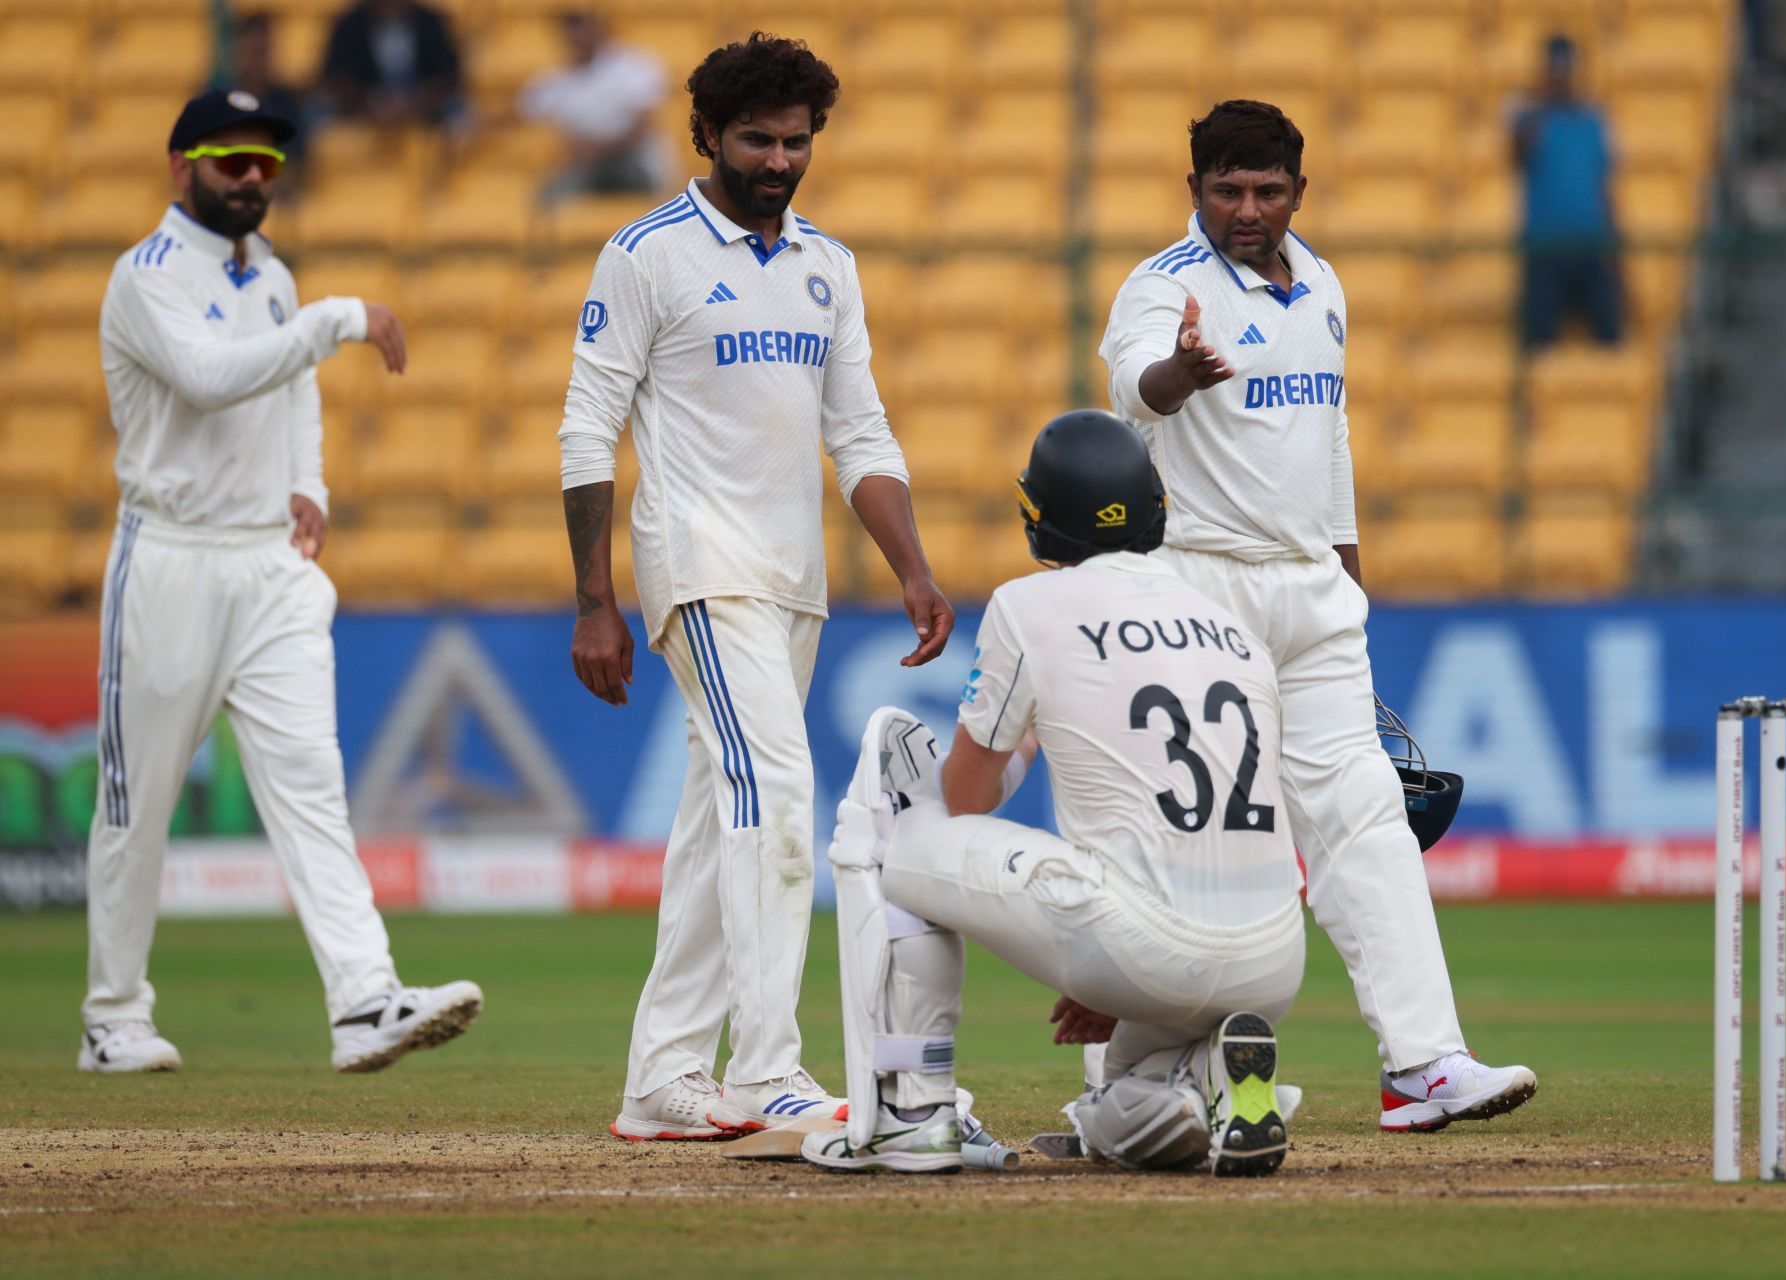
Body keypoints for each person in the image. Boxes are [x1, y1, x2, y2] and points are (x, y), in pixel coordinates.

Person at [1098, 99, 1537, 1134]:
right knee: (1203, 835)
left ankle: (1424, 1064)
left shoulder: (1326, 284)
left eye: (1267, 190)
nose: (1247, 209)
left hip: (1313, 594)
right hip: (1202, 584)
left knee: (1366, 818)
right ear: (1194, 188)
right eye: (1226, 190)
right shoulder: (1164, 286)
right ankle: (1137, 1081)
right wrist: (1180, 373)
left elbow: (1327, 440)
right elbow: (1130, 389)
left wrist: (1348, 579)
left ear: (1299, 188)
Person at [556, 33, 954, 1141]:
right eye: (756, 141)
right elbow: (587, 426)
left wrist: (911, 566)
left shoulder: (829, 262)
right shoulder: (646, 255)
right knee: (778, 791)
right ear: (705, 138)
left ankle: (662, 1078)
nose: (779, 161)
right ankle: (765, 1065)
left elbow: (859, 429)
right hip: (702, 568)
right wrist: (595, 597)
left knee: (714, 822)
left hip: (794, 584)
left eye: (795, 141)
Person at [83, 88, 481, 1074]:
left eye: (268, 161)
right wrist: (339, 316)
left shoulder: (273, 275)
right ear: (182, 166)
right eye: (233, 159)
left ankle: (363, 999)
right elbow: (212, 376)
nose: (254, 176)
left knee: (312, 787)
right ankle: (113, 1014)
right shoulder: (147, 278)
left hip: (270, 562)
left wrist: (308, 482)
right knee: (139, 803)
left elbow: (290, 387)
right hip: (169, 556)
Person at [800, 411, 1304, 1177]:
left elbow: (964, 797)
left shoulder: (1027, 606)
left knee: (895, 820)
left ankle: (915, 1106)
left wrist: (1028, 732)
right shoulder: (1230, 620)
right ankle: (1211, 1081)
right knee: (1115, 1115)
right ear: (1155, 506)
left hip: (1144, 941)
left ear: (1041, 523)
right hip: (1272, 961)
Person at [1512, 35, 1623, 348]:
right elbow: (1517, 154)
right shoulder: (1529, 118)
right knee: (1540, 340)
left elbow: (1605, 186)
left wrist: (1617, 250)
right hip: (1545, 248)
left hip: (1593, 245)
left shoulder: (1593, 120)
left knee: (1610, 335)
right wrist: (1544, 101)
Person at [519, 11, 668, 200]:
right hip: (587, 168)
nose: (576, 34)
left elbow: (644, 126)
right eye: (570, 27)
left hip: (635, 164)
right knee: (551, 196)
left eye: (581, 25)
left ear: (598, 27)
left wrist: (597, 148)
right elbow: (522, 110)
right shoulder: (556, 80)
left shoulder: (633, 66)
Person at [319, 0, 466, 130]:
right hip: (364, 111)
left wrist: (416, 102)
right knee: (319, 116)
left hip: (424, 109)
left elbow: (448, 75)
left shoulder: (431, 21)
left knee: (462, 118)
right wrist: (371, 103)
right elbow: (336, 77)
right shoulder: (348, 25)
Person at [224, 14, 308, 180]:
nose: (259, 61)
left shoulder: (288, 103)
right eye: (254, 52)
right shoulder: (217, 103)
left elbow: (295, 164)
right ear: (237, 53)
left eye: (264, 52)